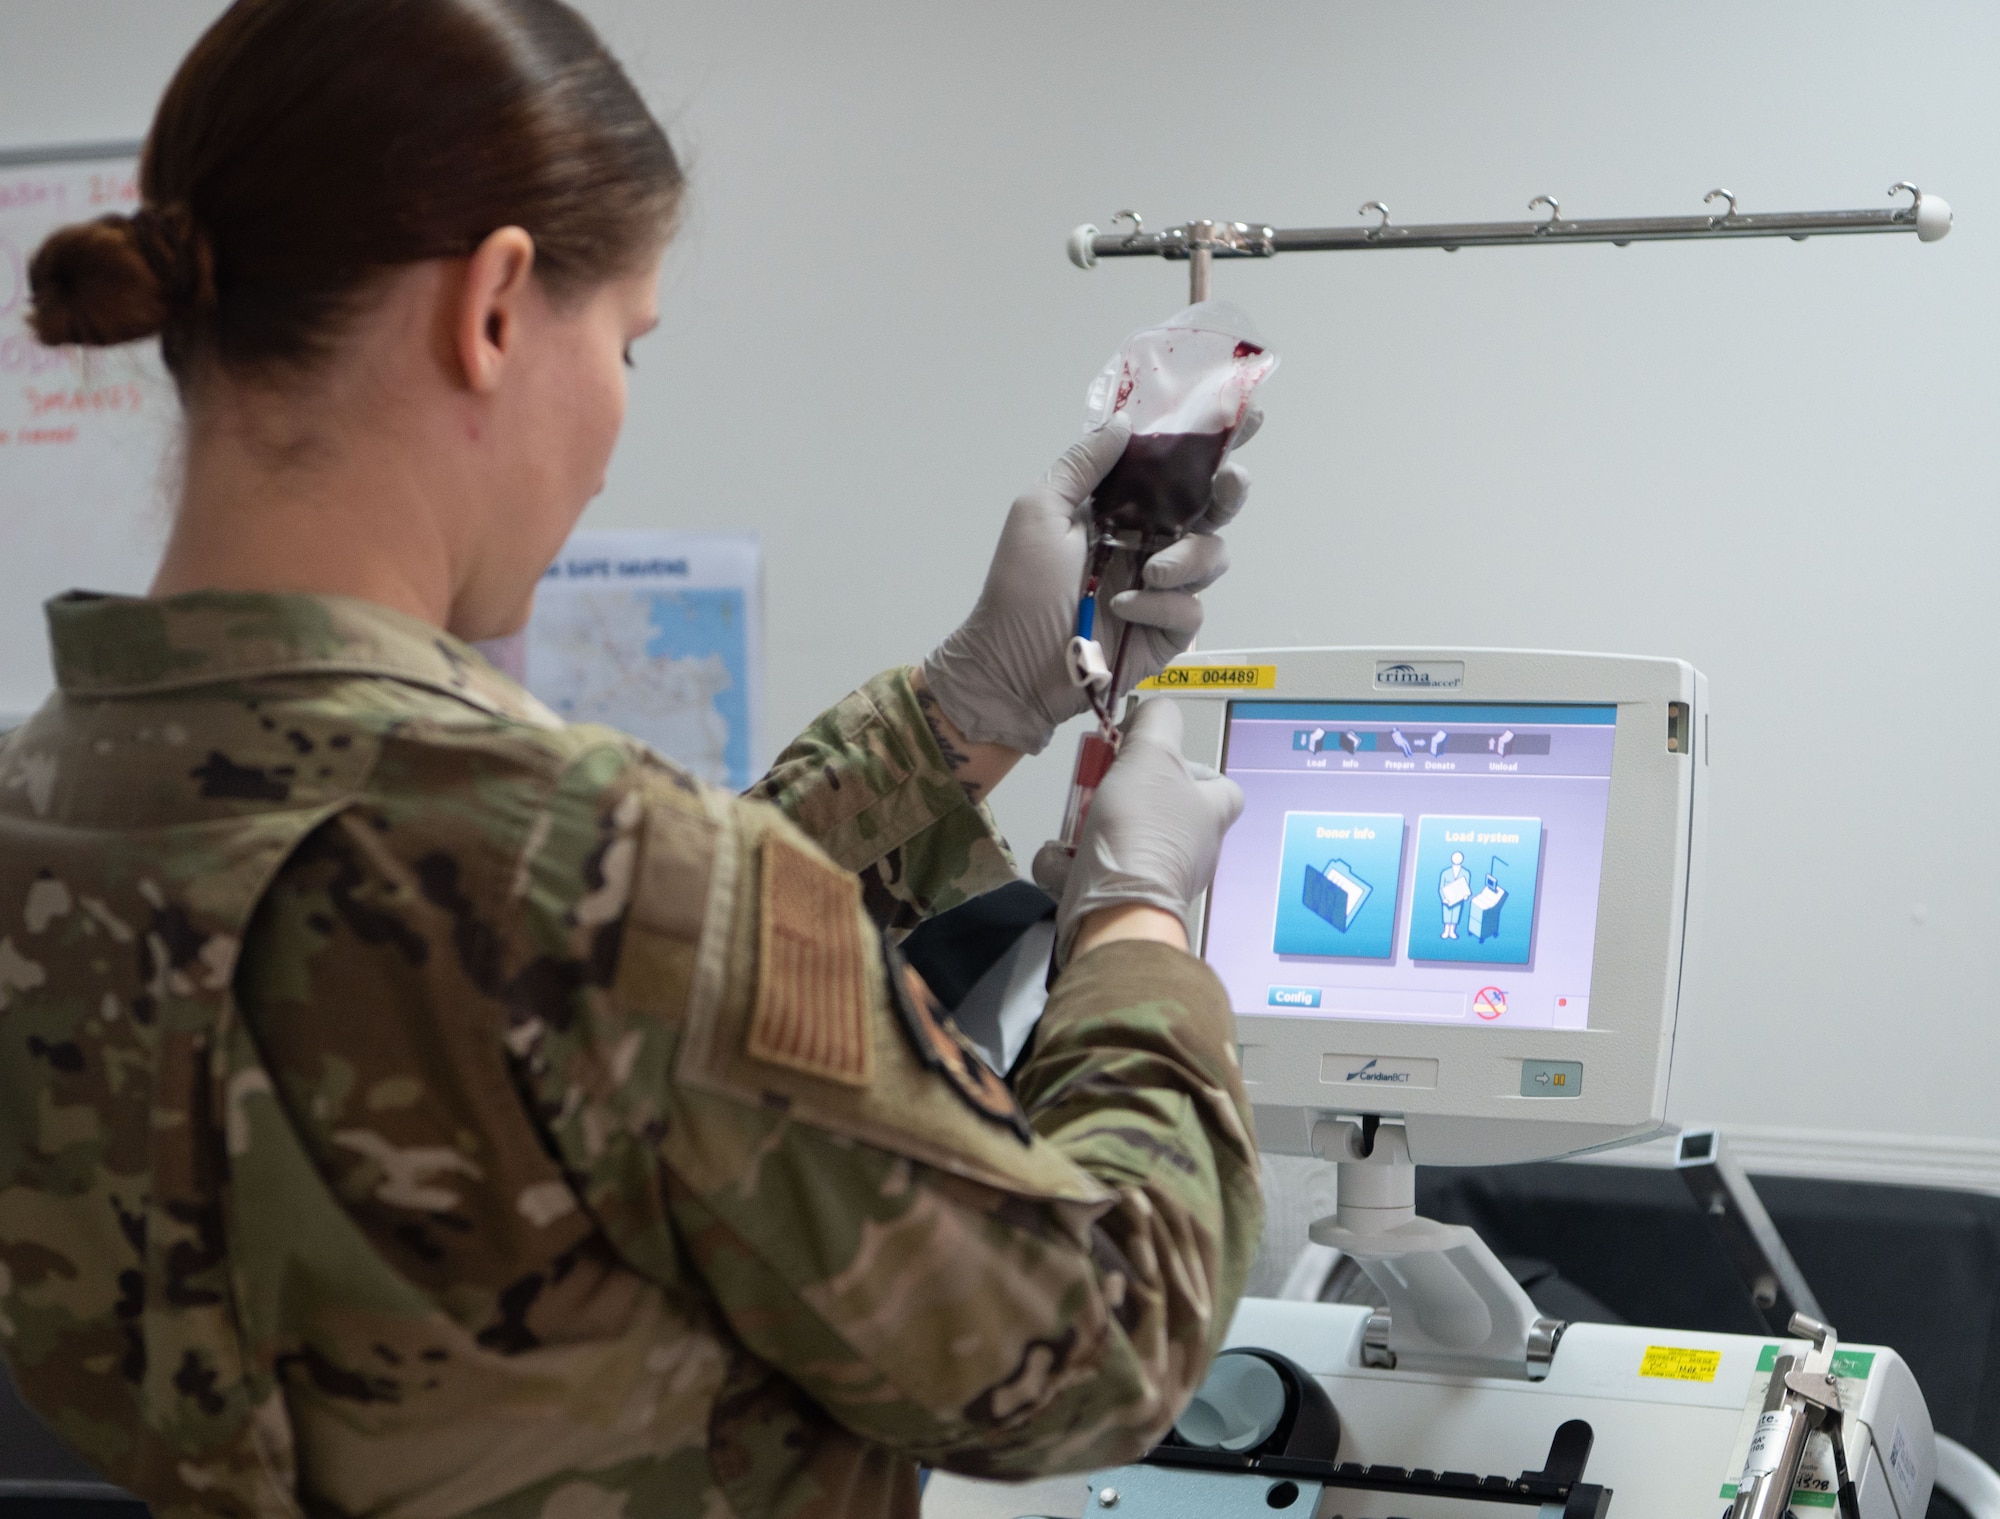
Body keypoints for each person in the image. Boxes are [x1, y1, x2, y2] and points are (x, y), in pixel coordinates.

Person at [0, 4, 1261, 1518]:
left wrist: (954, 724)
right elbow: (1108, 1341)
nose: (610, 434)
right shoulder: (592, 879)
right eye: (628, 351)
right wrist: (1137, 927)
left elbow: (615, 997)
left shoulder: (43, 815)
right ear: (493, 309)